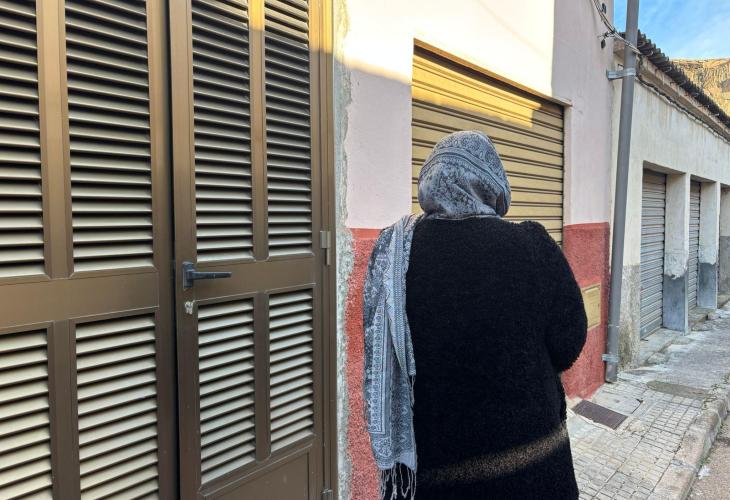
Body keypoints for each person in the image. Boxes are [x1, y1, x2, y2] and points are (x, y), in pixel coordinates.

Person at [363, 130, 587, 500]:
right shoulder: (532, 244)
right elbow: (568, 343)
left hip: (439, 475)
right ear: (491, 180)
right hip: (533, 468)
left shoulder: (396, 254)